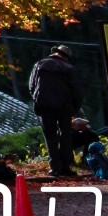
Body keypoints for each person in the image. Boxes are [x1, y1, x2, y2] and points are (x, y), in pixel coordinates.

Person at [28, 45, 82, 177]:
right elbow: (76, 90)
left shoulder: (40, 64)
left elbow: (32, 85)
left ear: (55, 53)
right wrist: (75, 108)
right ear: (66, 57)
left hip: (45, 106)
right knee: (65, 136)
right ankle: (65, 167)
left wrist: (37, 100)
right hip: (65, 107)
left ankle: (54, 168)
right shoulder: (69, 68)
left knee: (50, 136)